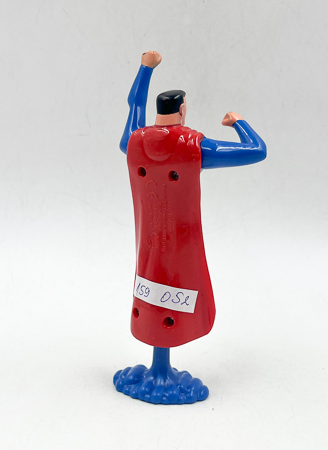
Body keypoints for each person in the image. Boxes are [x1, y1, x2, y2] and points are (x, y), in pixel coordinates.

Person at [114, 51, 267, 404]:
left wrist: (145, 68)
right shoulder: (192, 146)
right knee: (178, 293)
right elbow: (256, 150)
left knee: (152, 293)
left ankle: (158, 367)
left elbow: (134, 105)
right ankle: (161, 373)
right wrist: (239, 122)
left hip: (149, 247)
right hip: (179, 246)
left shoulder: (134, 142)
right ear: (182, 110)